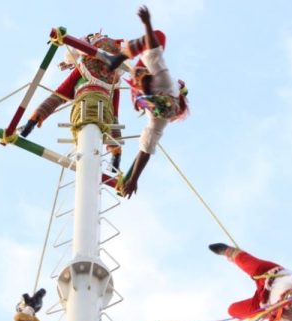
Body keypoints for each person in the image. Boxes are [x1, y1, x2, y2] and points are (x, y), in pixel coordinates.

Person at [105, 6, 188, 199]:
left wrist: (134, 179)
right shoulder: (164, 80)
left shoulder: (157, 120)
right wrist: (147, 23)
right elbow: (154, 47)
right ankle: (123, 56)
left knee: (144, 101)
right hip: (149, 76)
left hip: (143, 93)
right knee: (159, 37)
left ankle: (139, 93)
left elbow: (146, 148)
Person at [20, 33, 125, 171]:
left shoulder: (89, 73)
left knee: (94, 126)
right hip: (95, 110)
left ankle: (112, 155)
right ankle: (113, 155)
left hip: (89, 110)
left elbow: (58, 95)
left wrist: (36, 117)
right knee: (100, 123)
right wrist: (115, 147)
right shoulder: (109, 81)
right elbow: (114, 116)